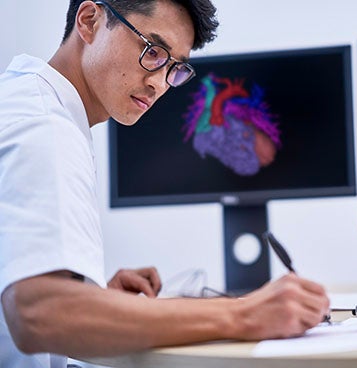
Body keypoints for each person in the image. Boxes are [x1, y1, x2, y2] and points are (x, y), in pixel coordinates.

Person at [0, 1, 330, 367]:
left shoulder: (27, 103)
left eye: (174, 68)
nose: (159, 83)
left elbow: (33, 306)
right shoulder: (45, 130)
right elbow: (38, 315)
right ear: (90, 21)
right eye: (152, 51)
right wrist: (241, 315)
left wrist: (91, 298)